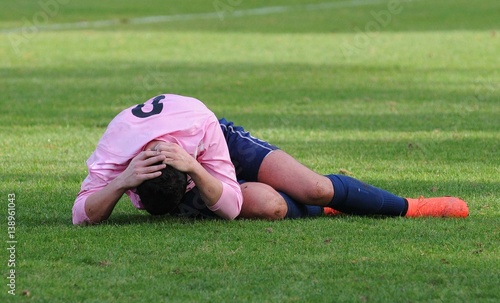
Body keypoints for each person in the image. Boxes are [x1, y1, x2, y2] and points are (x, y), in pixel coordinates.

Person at [169, 119, 469, 220]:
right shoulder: (121, 149)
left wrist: (196, 159)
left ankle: (411, 207)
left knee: (317, 189)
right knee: (269, 206)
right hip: (183, 177)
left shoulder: (195, 115)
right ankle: (329, 209)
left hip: (217, 141)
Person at [72, 94, 244, 225]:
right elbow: (79, 215)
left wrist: (195, 167)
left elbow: (233, 208)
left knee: (272, 169)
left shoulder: (201, 125)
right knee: (265, 204)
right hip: (196, 151)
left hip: (213, 134)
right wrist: (120, 182)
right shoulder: (115, 149)